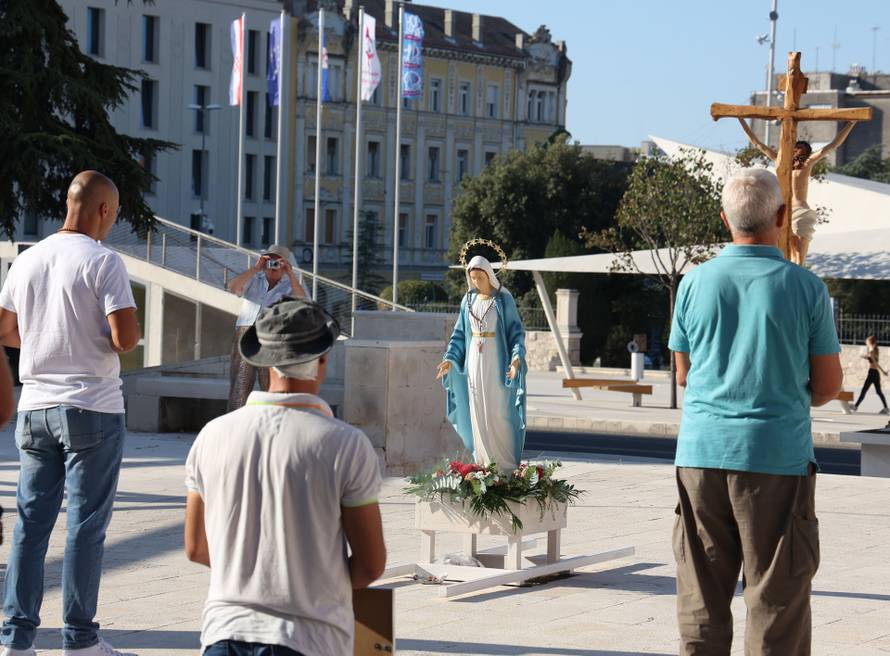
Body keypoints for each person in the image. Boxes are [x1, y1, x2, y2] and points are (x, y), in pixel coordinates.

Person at [669, 168, 843, 655]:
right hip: (776, 460)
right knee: (776, 601)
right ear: (782, 216)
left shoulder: (693, 284)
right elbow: (828, 386)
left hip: (701, 455)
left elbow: (684, 375)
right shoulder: (806, 288)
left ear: (725, 220)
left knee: (701, 599)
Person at [184, 298, 386, 656]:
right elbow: (370, 564)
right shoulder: (345, 444)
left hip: (224, 633)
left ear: (264, 362)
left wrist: (252, 578)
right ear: (322, 360)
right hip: (309, 637)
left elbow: (197, 547)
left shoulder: (212, 436)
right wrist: (309, 586)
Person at [0, 171, 140, 656]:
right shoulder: (104, 261)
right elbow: (125, 339)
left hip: (35, 408)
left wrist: (46, 340)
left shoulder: (28, 258)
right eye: (115, 212)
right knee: (84, 525)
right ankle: (80, 641)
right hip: (93, 407)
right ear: (103, 209)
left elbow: (5, 330)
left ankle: (16, 640)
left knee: (30, 525)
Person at [436, 255, 526, 472]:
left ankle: (504, 465)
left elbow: (516, 332)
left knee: (497, 411)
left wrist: (516, 359)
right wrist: (450, 358)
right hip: (475, 362)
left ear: (489, 276)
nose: (476, 282)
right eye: (473, 278)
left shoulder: (503, 299)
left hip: (497, 360)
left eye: (480, 277)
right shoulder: (468, 301)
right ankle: (485, 464)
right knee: (478, 410)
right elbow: (459, 334)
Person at [738, 118, 856, 265]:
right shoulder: (781, 161)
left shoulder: (807, 164)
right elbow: (757, 143)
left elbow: (833, 145)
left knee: (799, 254)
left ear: (806, 151)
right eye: (794, 146)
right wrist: (742, 120)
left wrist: (851, 123)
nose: (795, 149)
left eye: (799, 147)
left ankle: (799, 273)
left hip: (799, 209)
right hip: (782, 211)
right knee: (783, 250)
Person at [225, 245, 308, 411]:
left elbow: (302, 302)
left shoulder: (291, 283)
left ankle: (273, 420)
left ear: (286, 264)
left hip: (272, 337)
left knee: (271, 385)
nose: (273, 265)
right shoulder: (254, 278)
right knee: (240, 385)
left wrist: (291, 274)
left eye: (278, 261)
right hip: (245, 332)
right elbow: (233, 287)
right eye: (270, 260)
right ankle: (235, 421)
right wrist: (256, 268)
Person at [853, 335, 889, 413]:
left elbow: (875, 363)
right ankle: (886, 408)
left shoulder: (871, 350)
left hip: (872, 373)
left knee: (864, 390)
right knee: (878, 392)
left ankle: (855, 406)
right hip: (875, 373)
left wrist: (883, 371)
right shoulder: (875, 350)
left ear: (869, 342)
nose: (866, 343)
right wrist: (883, 372)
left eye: (867, 342)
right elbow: (875, 361)